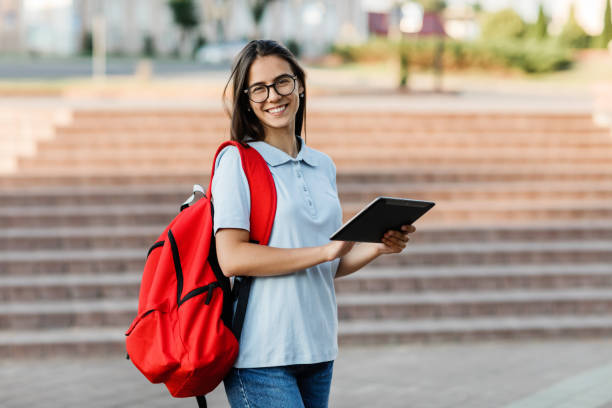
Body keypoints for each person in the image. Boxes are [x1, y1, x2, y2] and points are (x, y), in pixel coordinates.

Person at [212, 39, 416, 408]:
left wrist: (377, 247)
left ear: (300, 85)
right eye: (259, 88)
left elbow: (327, 265)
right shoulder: (237, 162)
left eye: (282, 82)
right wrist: (323, 251)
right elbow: (232, 258)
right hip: (262, 356)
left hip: (318, 348)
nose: (273, 96)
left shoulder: (322, 165)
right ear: (246, 100)